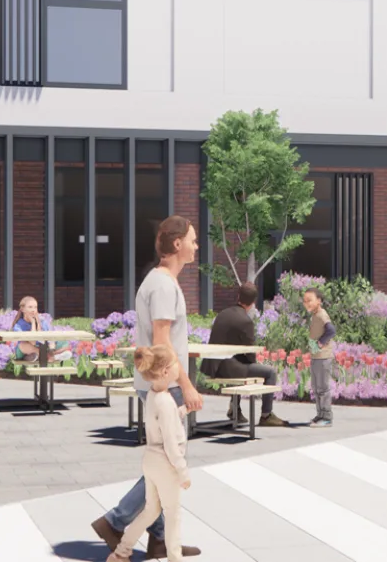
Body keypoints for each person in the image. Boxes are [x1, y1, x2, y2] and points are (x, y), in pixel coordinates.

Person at [92, 215, 203, 560]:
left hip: (156, 382)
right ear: (176, 244)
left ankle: (159, 538)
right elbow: (161, 341)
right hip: (163, 384)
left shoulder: (159, 282)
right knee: (168, 460)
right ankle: (116, 521)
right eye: (193, 240)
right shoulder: (164, 286)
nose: (196, 246)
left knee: (164, 460)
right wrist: (185, 385)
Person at [107, 344, 190, 562]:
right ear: (165, 371)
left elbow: (161, 420)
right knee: (173, 513)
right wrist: (182, 471)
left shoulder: (154, 395)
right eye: (174, 365)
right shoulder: (165, 400)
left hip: (151, 460)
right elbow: (171, 443)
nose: (177, 369)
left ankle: (122, 551)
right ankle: (175, 558)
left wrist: (184, 410)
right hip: (166, 463)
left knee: (151, 511)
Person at [206, 283, 285, 428]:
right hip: (227, 368)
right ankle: (266, 415)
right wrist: (252, 363)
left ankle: (234, 408)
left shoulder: (223, 314)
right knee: (270, 373)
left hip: (213, 365)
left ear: (238, 296)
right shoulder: (245, 321)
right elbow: (250, 354)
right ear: (253, 302)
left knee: (240, 365)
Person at [304, 286, 336, 428]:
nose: (307, 303)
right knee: (316, 387)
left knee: (323, 387)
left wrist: (321, 343)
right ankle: (320, 415)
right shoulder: (315, 315)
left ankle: (327, 416)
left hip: (323, 357)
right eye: (305, 301)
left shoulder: (322, 314)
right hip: (316, 357)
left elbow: (331, 330)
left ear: (319, 301)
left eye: (310, 300)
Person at [12, 295, 75, 364]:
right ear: (22, 309)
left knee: (64, 343)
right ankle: (50, 357)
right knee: (23, 345)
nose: (33, 310)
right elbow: (32, 342)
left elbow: (49, 337)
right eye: (30, 307)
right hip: (24, 350)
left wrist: (52, 348)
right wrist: (33, 323)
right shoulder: (18, 325)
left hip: (42, 348)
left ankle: (38, 356)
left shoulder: (42, 321)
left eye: (35, 307)